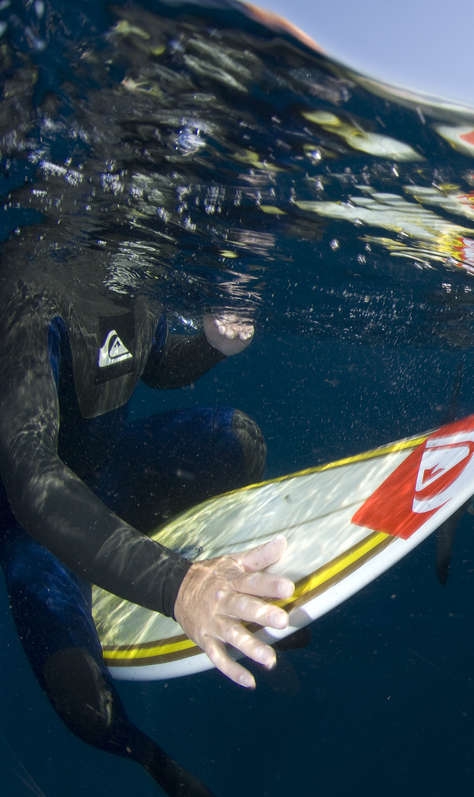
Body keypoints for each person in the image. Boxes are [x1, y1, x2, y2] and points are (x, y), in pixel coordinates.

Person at [0, 260, 296, 796]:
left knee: (239, 440)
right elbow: (30, 474)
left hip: (111, 473)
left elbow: (154, 363)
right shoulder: (30, 291)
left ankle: (236, 598)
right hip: (35, 525)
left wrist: (209, 346)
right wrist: (178, 585)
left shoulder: (138, 270)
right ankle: (153, 762)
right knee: (84, 699)